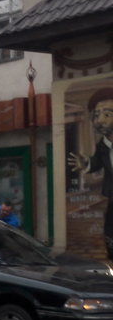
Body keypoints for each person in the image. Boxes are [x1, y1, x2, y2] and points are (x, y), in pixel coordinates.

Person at [68, 87, 113, 259]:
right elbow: (97, 163)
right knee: (109, 231)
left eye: (107, 114)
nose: (100, 120)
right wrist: (86, 164)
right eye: (96, 115)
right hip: (112, 198)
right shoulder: (103, 145)